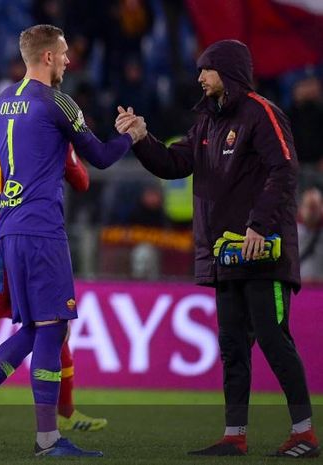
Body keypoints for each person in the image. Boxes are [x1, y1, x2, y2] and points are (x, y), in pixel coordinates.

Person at [0, 24, 144, 457]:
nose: (70, 60)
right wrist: (132, 135)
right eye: (66, 53)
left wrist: (0, 206)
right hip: (42, 232)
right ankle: (48, 440)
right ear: (48, 57)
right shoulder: (58, 102)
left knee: (35, 330)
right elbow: (100, 159)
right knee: (53, 331)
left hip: (10, 232)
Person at [115, 39, 320, 458]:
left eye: (206, 70)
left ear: (226, 71)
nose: (199, 78)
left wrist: (259, 225)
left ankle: (304, 434)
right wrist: (141, 138)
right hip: (226, 254)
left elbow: (284, 169)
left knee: (273, 337)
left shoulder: (261, 113)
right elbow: (174, 164)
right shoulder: (206, 122)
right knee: (231, 346)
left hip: (264, 249)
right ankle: (235, 435)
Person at [0, 146, 108, 433]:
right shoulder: (48, 130)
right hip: (29, 241)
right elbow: (82, 181)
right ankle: (63, 413)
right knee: (54, 326)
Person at [297, 186, 323, 283]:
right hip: (301, 286)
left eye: (315, 207)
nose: (312, 212)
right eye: (309, 207)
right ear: (301, 207)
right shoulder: (292, 230)